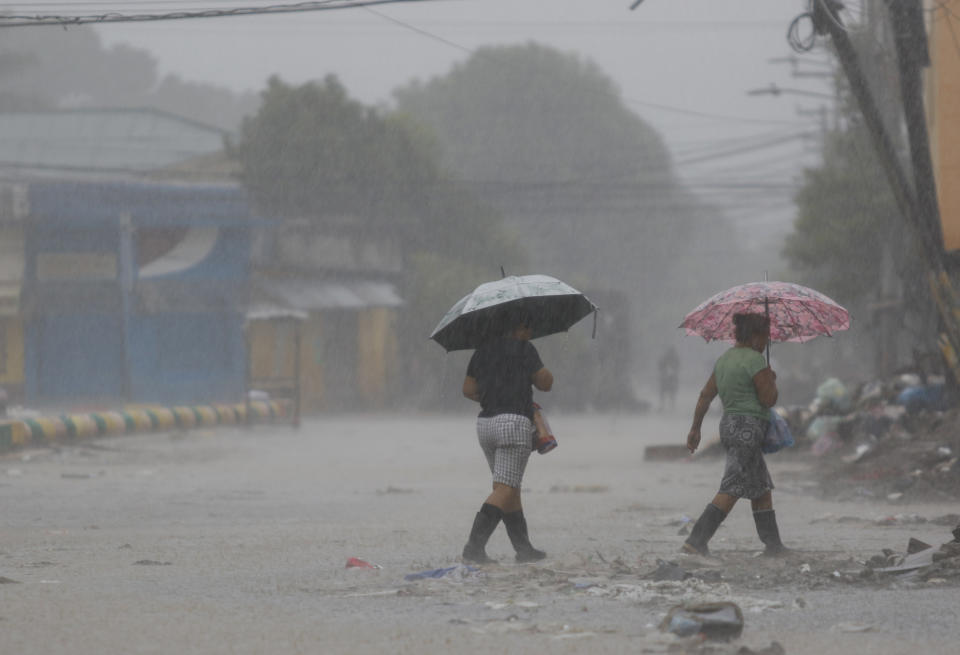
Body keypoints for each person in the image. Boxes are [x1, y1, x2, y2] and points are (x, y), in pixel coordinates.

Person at [682, 313, 787, 557]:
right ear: (754, 335)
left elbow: (705, 395)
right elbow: (768, 399)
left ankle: (774, 546)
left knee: (760, 486)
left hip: (729, 426)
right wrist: (771, 380)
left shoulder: (724, 360)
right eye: (765, 337)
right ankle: (696, 540)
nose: (766, 343)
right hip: (748, 430)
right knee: (731, 487)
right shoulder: (755, 361)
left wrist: (695, 428)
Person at [460, 316, 554, 564]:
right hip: (513, 423)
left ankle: (524, 549)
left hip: (486, 424)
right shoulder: (524, 349)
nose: (530, 330)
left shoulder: (481, 352)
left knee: (509, 487)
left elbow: (468, 390)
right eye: (526, 326)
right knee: (505, 489)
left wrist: (493, 394)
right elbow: (546, 383)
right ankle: (474, 547)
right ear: (514, 327)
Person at [658, 346, 680, 411]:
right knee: (668, 393)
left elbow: (660, 366)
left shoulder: (667, 358)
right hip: (668, 379)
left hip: (669, 379)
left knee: (668, 393)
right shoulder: (669, 358)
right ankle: (666, 406)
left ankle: (667, 406)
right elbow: (660, 366)